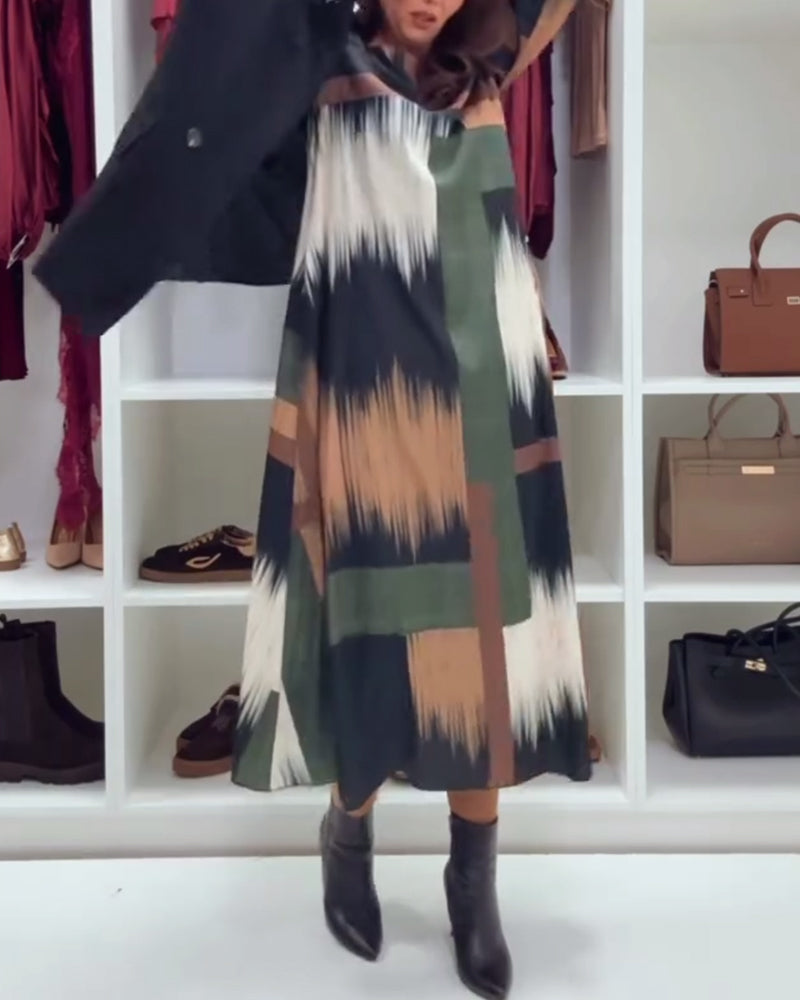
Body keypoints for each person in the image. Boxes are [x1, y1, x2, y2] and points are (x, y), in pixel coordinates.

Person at [35, 1, 587, 997]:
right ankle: (349, 829)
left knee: (485, 625)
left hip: (480, 334)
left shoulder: (496, 44)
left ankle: (473, 880)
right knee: (356, 599)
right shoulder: (313, 39)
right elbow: (207, 106)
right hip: (357, 340)